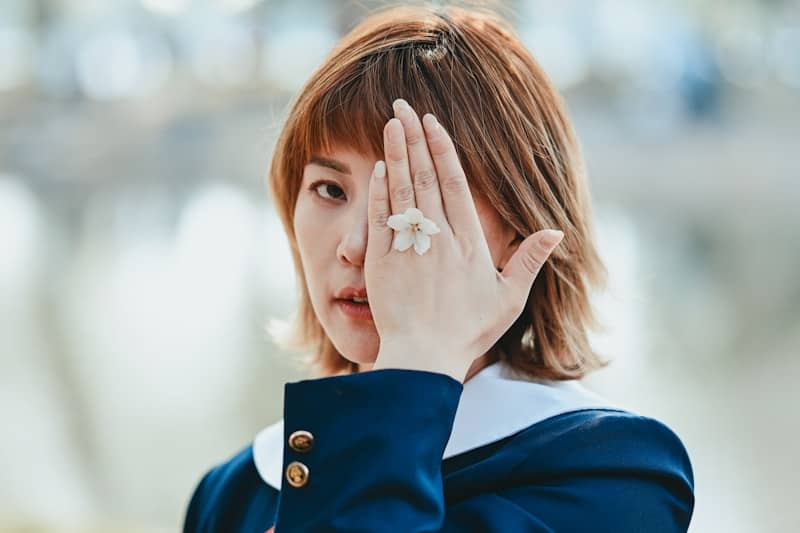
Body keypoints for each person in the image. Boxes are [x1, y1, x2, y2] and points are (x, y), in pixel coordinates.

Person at [182, 4, 695, 532]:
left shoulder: (613, 476)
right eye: (330, 190)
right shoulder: (234, 490)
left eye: (413, 207)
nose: (357, 246)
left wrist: (416, 362)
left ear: (520, 230)